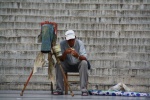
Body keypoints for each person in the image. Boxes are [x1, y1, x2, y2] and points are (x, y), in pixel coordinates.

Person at [53, 30, 89, 96]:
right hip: (67, 64)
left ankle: (84, 89)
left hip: (78, 65)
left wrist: (77, 56)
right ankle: (59, 89)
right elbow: (61, 59)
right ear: (66, 40)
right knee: (58, 64)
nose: (71, 42)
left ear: (75, 38)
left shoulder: (79, 43)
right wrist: (65, 53)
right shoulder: (62, 44)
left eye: (72, 39)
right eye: (69, 40)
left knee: (84, 63)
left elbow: (85, 58)